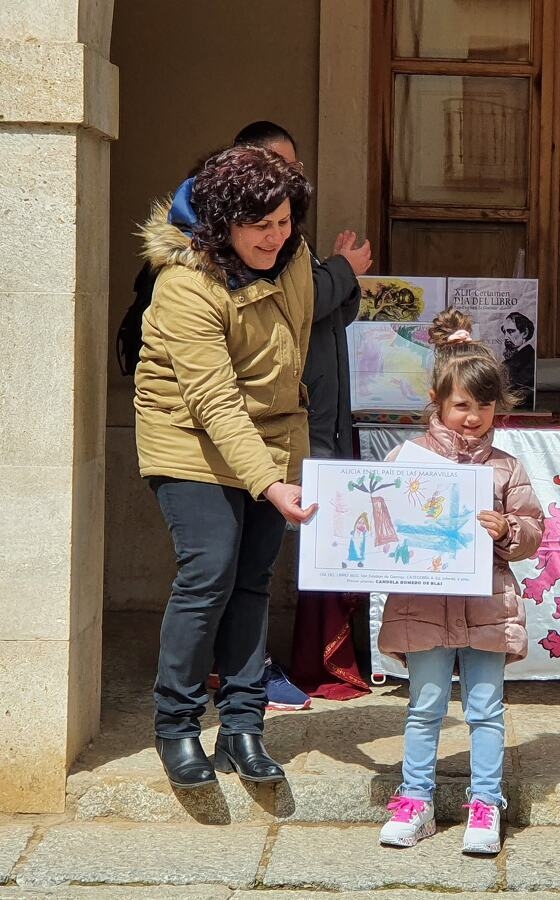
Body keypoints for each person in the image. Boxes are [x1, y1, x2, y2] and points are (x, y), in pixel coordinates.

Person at [134, 145, 317, 789]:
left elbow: (294, 359)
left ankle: (243, 725)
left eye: (285, 220)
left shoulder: (295, 262)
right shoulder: (184, 284)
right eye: (259, 225)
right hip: (188, 436)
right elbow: (212, 399)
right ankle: (177, 725)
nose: (277, 236)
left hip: (271, 437)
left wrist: (287, 460)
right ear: (223, 224)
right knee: (209, 570)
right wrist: (267, 483)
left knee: (252, 578)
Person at [375, 309, 544, 855]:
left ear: (499, 407)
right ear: (438, 402)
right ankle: (416, 800)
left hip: (488, 604)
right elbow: (382, 524)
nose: (473, 417)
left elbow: (533, 532)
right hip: (421, 603)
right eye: (462, 405)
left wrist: (508, 529)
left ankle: (486, 802)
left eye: (484, 405)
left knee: (485, 707)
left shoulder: (507, 467)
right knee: (424, 705)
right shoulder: (407, 458)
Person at [233, 121, 375, 706]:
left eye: (294, 168)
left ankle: (289, 664)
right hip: (272, 428)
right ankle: (241, 669)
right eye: (276, 165)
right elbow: (309, 301)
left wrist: (343, 278)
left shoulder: (290, 236)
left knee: (287, 555)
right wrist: (345, 270)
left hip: (319, 415)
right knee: (242, 566)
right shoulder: (241, 241)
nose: (289, 179)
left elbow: (324, 319)